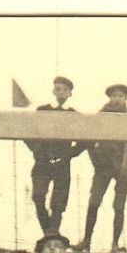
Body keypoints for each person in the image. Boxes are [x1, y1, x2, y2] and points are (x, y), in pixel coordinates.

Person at [81, 84, 127, 253]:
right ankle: (86, 242)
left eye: (120, 96)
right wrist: (95, 158)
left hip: (123, 169)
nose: (117, 99)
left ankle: (115, 244)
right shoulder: (100, 117)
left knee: (119, 207)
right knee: (94, 203)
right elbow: (88, 141)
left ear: (126, 99)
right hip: (102, 167)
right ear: (109, 98)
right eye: (114, 96)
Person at [27, 76, 85, 235]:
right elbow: (27, 132)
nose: (61, 92)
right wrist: (36, 149)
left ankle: (51, 236)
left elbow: (86, 138)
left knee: (58, 205)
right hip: (42, 162)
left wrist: (71, 153)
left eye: (65, 90)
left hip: (62, 163)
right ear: (53, 91)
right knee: (38, 197)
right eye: (58, 89)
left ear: (70, 93)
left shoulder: (74, 115)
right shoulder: (42, 110)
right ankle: (49, 233)